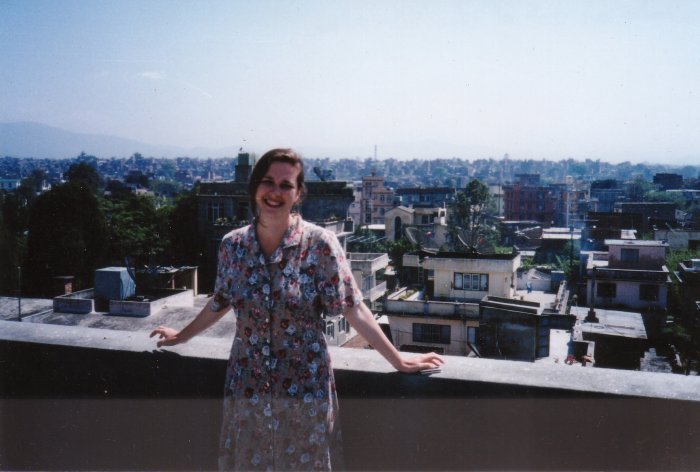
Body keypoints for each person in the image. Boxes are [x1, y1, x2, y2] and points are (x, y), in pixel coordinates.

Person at [150, 148, 443, 471]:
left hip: (305, 388)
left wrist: (397, 358)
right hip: (248, 385)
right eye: (267, 182)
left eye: (286, 185)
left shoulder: (319, 244)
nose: (275, 192)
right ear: (254, 188)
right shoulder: (233, 246)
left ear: (298, 194)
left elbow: (352, 307)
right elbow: (220, 301)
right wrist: (181, 336)